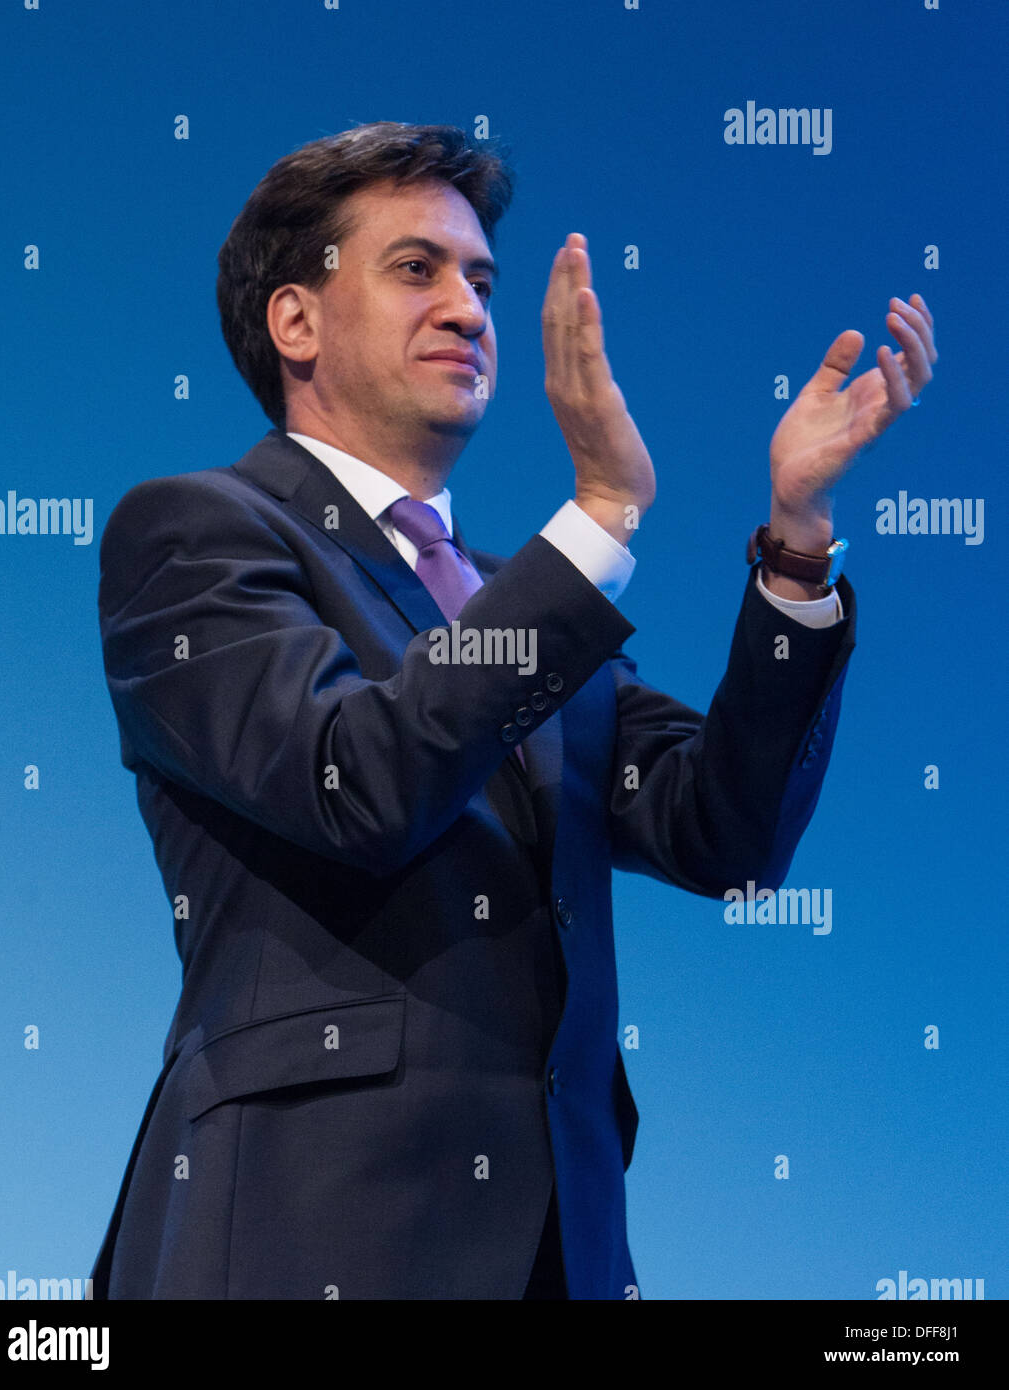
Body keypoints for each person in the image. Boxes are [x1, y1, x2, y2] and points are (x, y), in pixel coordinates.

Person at [90, 122, 936, 1300]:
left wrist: (796, 546)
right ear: (296, 322)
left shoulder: (525, 604)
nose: (469, 308)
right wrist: (595, 520)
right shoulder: (194, 532)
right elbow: (356, 781)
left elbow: (721, 835)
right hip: (304, 1234)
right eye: (416, 269)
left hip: (564, 1253)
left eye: (480, 279)